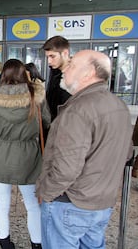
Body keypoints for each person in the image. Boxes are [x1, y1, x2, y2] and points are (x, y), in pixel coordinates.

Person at [36, 50, 133, 249]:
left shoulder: (78, 110)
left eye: (71, 65)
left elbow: (66, 168)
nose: (65, 69)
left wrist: (46, 192)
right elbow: (127, 153)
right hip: (102, 201)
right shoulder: (119, 105)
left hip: (70, 203)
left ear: (88, 73)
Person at [0, 59, 50, 249]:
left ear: (3, 76)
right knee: (33, 205)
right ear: (24, 75)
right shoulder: (36, 96)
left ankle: (5, 243)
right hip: (29, 157)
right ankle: (37, 244)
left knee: (2, 203)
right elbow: (47, 122)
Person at [42, 36, 71, 121]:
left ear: (65, 53)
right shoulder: (55, 71)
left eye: (52, 56)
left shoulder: (77, 75)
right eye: (47, 57)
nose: (49, 61)